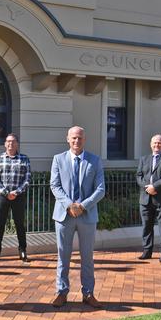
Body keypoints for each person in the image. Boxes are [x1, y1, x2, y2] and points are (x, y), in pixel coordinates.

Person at [49, 126, 105, 308]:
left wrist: (82, 206)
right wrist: (69, 205)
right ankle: (61, 292)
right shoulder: (58, 159)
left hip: (86, 216)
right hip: (64, 216)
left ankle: (88, 293)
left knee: (87, 256)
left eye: (79, 138)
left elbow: (100, 189)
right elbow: (55, 185)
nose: (76, 141)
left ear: (84, 139)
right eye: (73, 138)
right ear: (67, 139)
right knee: (63, 255)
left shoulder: (94, 161)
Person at [0, 133, 32, 262]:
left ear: (17, 143)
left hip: (18, 196)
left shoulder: (24, 159)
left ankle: (22, 251)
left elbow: (28, 178)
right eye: (8, 141)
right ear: (5, 144)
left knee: (19, 224)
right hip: (2, 196)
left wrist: (16, 192)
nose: (10, 144)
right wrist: (5, 192)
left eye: (13, 141)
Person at [136, 134, 161, 262]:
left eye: (159, 143)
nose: (156, 145)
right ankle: (147, 251)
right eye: (154, 143)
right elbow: (139, 176)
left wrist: (155, 187)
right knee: (146, 226)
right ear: (150, 144)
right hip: (145, 199)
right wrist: (147, 187)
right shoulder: (143, 159)